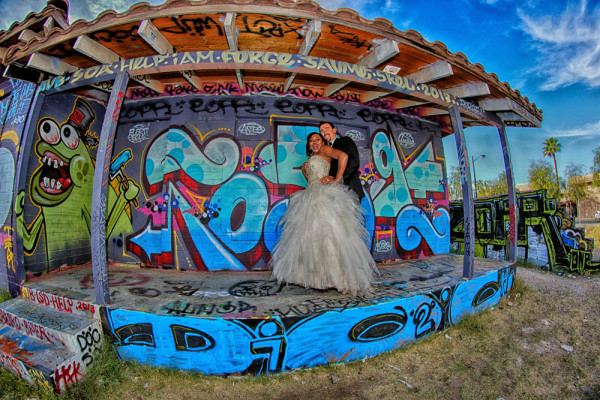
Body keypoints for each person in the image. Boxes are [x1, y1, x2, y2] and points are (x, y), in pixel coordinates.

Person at [270, 132, 377, 295]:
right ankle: (313, 277)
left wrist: (336, 179)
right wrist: (305, 171)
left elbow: (343, 157)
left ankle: (334, 278)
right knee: (310, 237)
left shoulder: (325, 150)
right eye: (311, 140)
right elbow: (311, 181)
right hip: (310, 196)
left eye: (317, 139)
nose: (314, 142)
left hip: (323, 196)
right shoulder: (314, 157)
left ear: (323, 142)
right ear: (308, 144)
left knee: (328, 236)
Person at [318, 121, 364, 201]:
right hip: (333, 192)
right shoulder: (325, 149)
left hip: (349, 188)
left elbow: (353, 163)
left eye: (327, 128)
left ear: (334, 130)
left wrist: (337, 179)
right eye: (322, 131)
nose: (324, 132)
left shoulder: (345, 141)